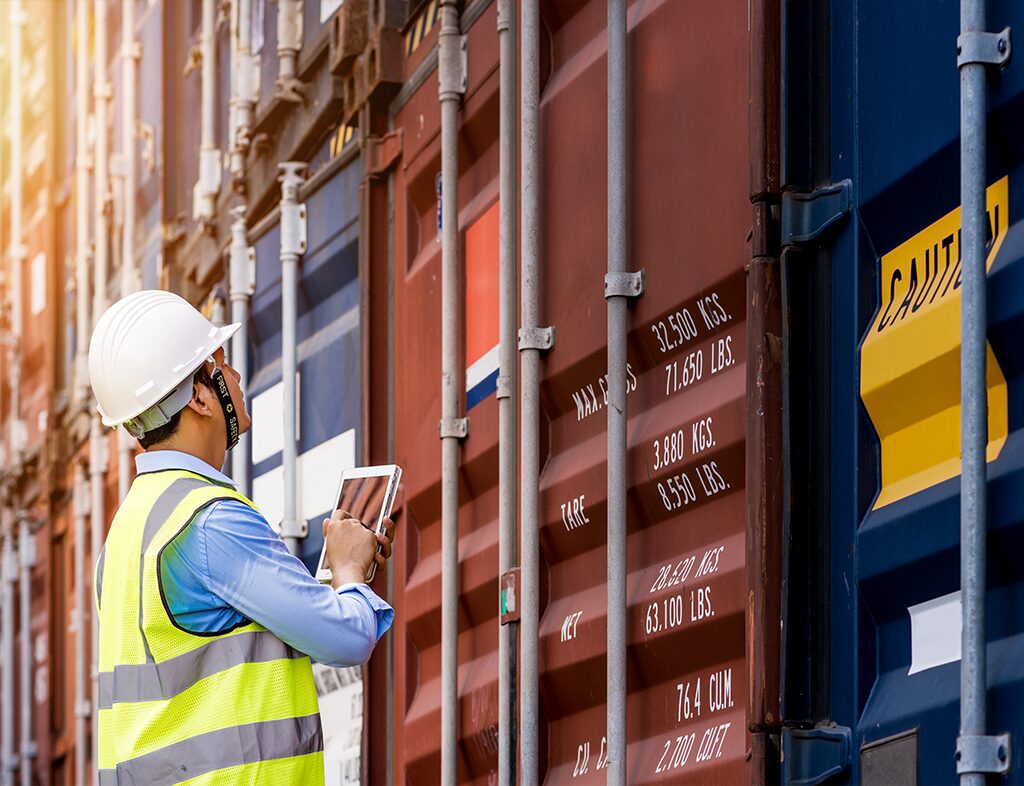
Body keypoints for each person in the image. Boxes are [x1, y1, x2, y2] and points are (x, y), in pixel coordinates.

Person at [88, 289, 395, 785]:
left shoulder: (124, 536)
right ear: (200, 397)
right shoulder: (210, 521)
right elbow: (347, 637)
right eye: (222, 364)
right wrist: (350, 571)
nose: (235, 377)